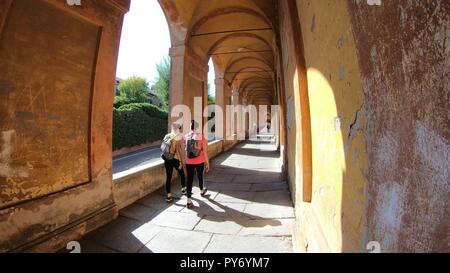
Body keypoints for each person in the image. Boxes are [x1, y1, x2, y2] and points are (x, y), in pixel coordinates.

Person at [183, 120, 210, 208]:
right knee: (200, 176)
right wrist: (207, 163)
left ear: (190, 127)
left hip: (189, 161)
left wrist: (184, 161)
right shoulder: (201, 137)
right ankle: (202, 190)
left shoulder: (186, 136)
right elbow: (205, 152)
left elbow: (185, 149)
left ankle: (188, 200)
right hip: (200, 161)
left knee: (189, 180)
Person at [161, 123, 186, 202]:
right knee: (182, 173)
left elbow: (163, 147)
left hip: (167, 159)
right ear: (178, 129)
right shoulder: (177, 137)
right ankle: (183, 189)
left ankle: (168, 196)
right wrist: (180, 161)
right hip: (174, 159)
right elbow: (177, 151)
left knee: (168, 177)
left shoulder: (167, 136)